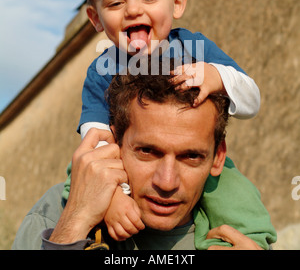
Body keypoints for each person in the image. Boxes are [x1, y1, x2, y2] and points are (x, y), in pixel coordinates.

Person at [61, 0, 271, 244]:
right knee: (76, 176)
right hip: (126, 168)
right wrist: (113, 197)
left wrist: (217, 76)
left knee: (236, 194)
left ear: (177, 3)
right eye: (116, 3)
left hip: (199, 168)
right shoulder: (101, 71)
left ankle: (240, 241)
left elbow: (252, 100)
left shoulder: (195, 47)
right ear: (95, 19)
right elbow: (95, 140)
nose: (133, 10)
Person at [12, 70, 276, 249]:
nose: (167, 181)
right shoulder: (55, 215)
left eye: (191, 156)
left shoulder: (241, 238)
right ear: (115, 145)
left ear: (218, 157)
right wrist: (75, 224)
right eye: (148, 152)